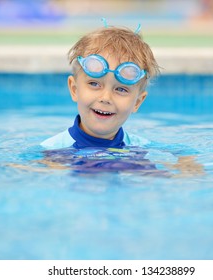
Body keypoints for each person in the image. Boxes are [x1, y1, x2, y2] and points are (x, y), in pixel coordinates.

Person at [39, 21, 203, 177]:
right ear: (74, 89)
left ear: (137, 102)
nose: (106, 98)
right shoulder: (52, 151)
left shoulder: (138, 147)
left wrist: (186, 164)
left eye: (121, 89)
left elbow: (184, 152)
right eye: (94, 84)